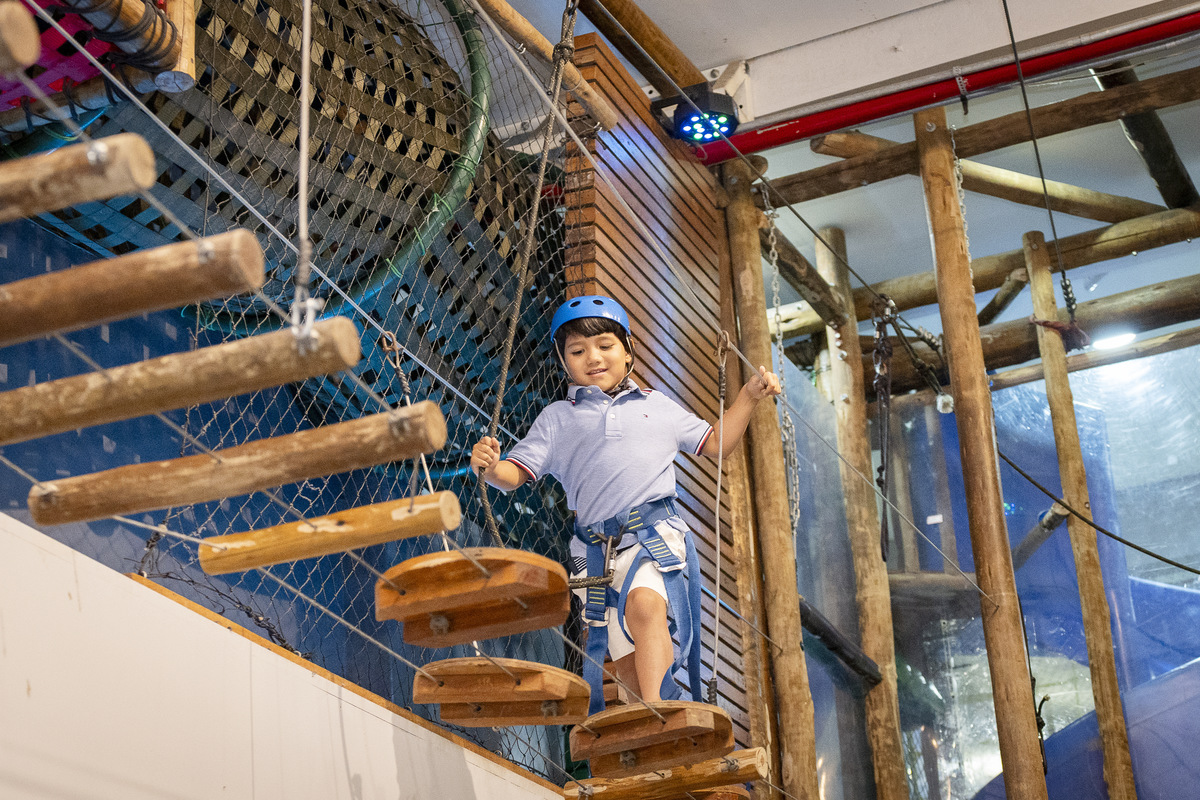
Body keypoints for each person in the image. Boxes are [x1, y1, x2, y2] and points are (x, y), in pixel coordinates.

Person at [471, 295, 781, 712]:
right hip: (594, 553)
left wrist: (747, 396)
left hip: (652, 534)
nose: (593, 358)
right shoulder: (557, 419)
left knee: (645, 607)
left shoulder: (657, 406)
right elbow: (514, 474)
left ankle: (657, 708)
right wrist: (492, 467)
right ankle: (645, 716)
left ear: (628, 351)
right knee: (624, 655)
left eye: (605, 345)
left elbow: (716, 443)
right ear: (564, 362)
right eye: (577, 351)